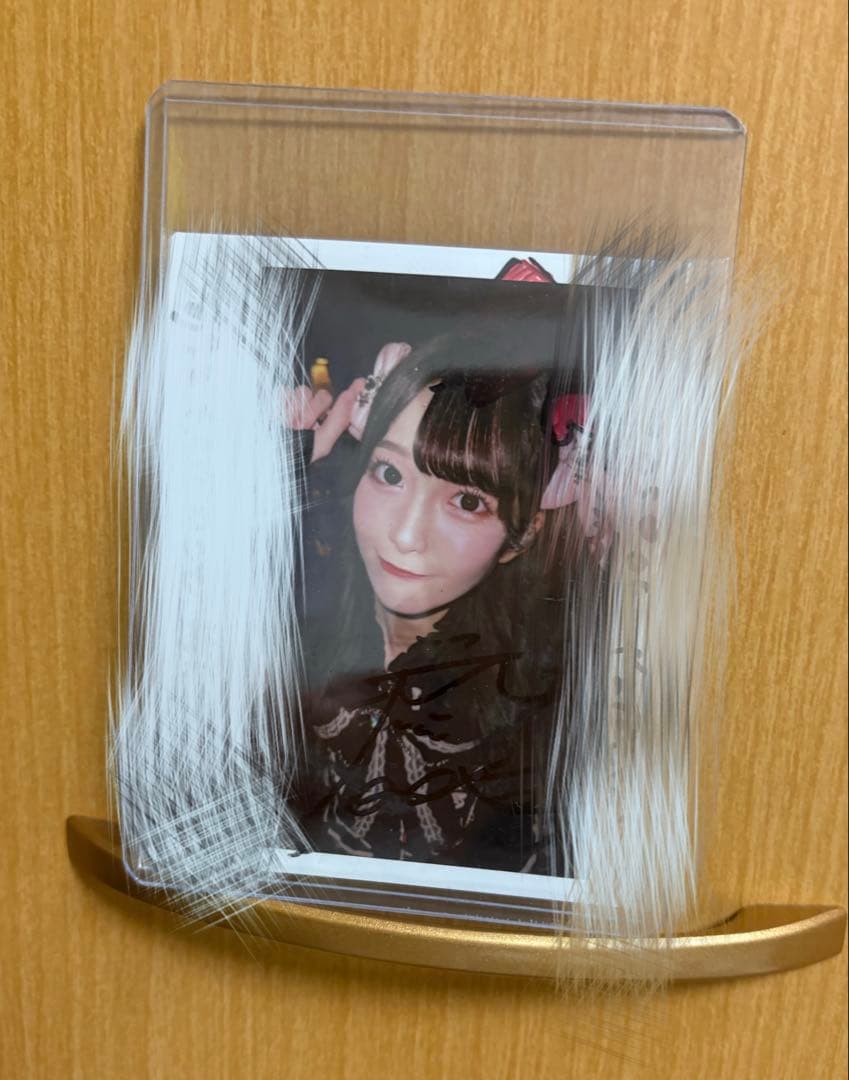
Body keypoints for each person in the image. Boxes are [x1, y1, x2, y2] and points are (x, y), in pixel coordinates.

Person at [279, 331, 579, 875]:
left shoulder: (544, 715)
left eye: (467, 501)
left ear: (522, 535)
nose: (406, 535)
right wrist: (276, 478)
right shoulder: (290, 624)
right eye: (389, 473)